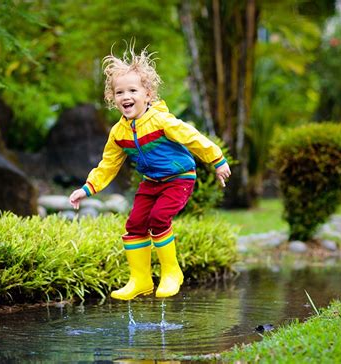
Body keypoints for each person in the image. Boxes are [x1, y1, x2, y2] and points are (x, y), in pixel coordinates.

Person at [69, 46, 231, 300]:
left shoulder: (161, 121)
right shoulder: (119, 133)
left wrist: (217, 159)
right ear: (113, 98)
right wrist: (87, 188)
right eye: (119, 92)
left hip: (179, 179)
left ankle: (171, 273)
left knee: (158, 218)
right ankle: (141, 280)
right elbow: (108, 164)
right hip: (151, 182)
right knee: (134, 225)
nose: (126, 96)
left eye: (132, 90)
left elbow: (192, 137)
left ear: (147, 94)